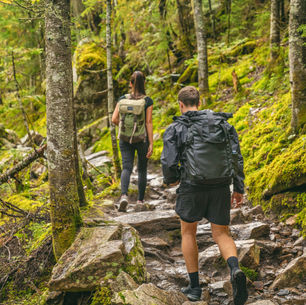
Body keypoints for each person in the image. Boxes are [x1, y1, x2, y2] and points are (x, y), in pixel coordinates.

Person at [161, 86, 248, 304]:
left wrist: (172, 179)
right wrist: (238, 187)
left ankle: (194, 287)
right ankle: (235, 269)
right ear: (199, 102)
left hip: (192, 186)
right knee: (222, 234)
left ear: (181, 105)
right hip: (220, 186)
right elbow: (236, 156)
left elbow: (169, 162)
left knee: (188, 232)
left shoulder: (176, 128)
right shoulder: (223, 125)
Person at [112, 71, 153, 212]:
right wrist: (151, 143)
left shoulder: (122, 99)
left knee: (126, 168)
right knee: (142, 169)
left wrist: (126, 128)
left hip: (124, 138)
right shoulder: (147, 101)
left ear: (130, 83)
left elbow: (114, 119)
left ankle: (124, 196)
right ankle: (140, 201)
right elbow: (148, 122)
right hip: (142, 140)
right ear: (144, 83)